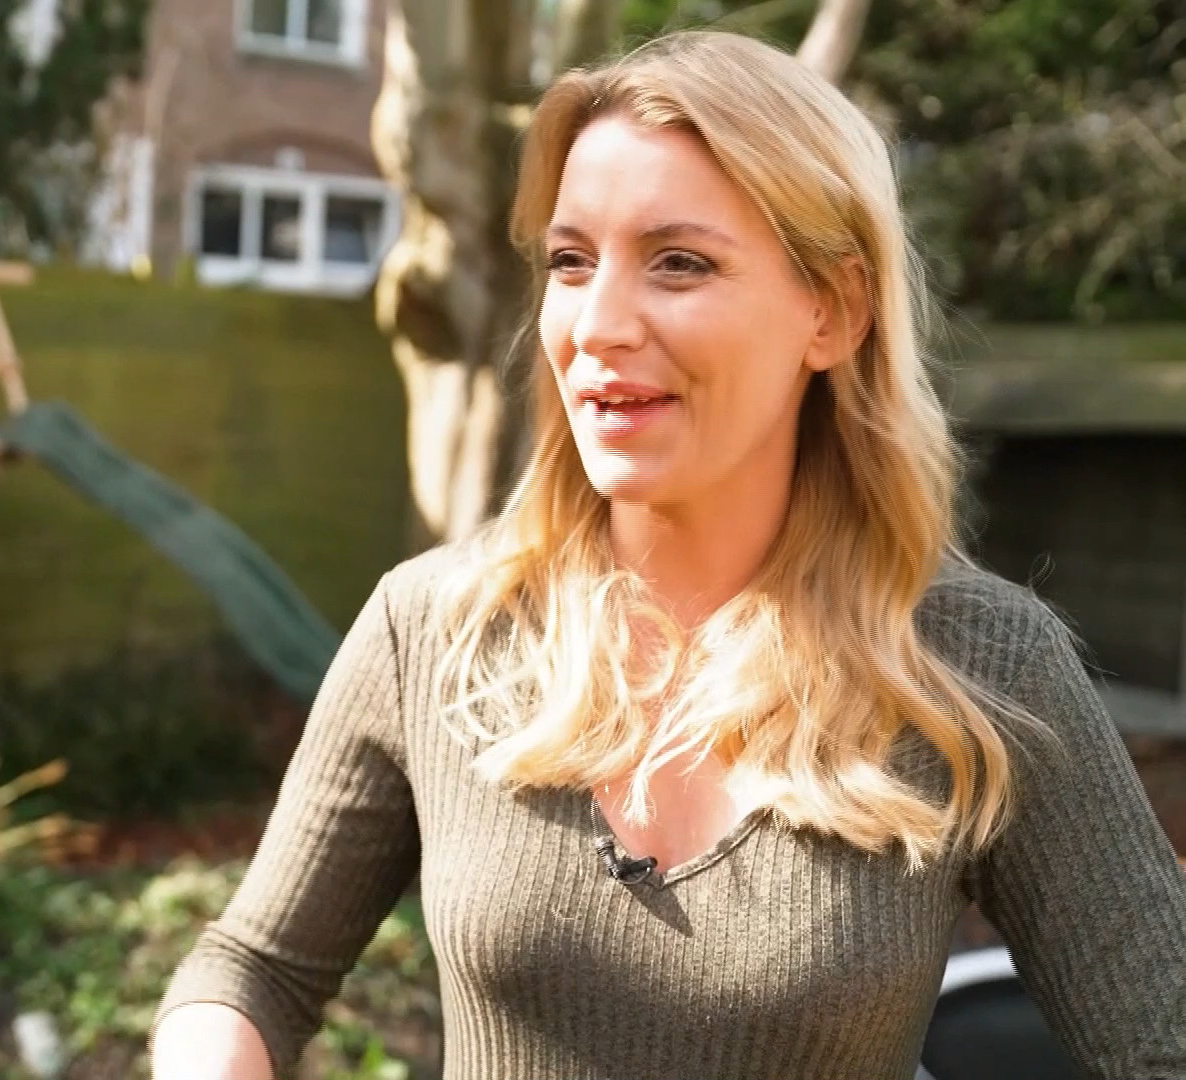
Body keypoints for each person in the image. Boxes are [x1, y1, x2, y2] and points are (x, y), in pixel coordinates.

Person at [147, 28, 1186, 1080]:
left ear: (833, 311)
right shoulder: (434, 629)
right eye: (571, 262)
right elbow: (254, 968)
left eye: (679, 262)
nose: (597, 324)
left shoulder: (981, 667)